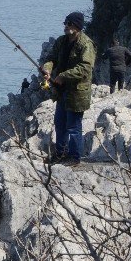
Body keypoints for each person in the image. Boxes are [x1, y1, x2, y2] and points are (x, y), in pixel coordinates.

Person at [41, 11, 95, 167]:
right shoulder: (61, 41)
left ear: (77, 26)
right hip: (62, 91)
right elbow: (51, 58)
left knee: (73, 127)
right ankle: (60, 154)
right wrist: (47, 69)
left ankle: (74, 157)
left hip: (77, 93)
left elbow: (85, 68)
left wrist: (63, 76)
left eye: (69, 24)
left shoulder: (86, 44)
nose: (66, 26)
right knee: (59, 123)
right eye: (65, 23)